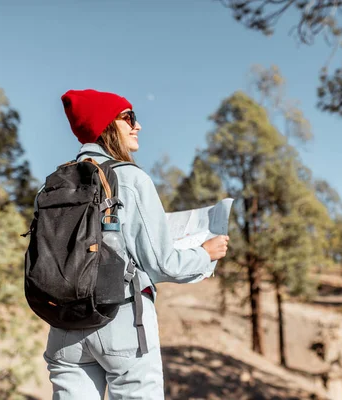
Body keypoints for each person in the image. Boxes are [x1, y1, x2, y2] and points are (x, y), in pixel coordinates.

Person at [42, 89, 229, 400]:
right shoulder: (129, 178)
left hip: (64, 328)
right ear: (107, 125)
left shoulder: (55, 182)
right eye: (128, 117)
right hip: (122, 320)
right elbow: (162, 263)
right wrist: (204, 254)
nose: (137, 125)